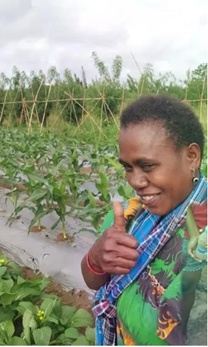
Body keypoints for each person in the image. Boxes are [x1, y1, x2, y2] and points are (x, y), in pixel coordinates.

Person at [81, 95, 207, 345]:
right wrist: (97, 258)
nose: (135, 182)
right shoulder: (130, 216)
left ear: (192, 156)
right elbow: (95, 281)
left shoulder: (201, 233)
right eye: (128, 167)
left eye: (147, 166)